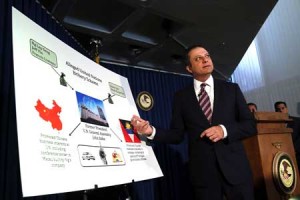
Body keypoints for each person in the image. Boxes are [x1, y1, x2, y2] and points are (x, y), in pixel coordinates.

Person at [131, 45, 257, 200]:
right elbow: (177, 134)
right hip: (204, 175)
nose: (205, 60)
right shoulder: (181, 97)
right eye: (198, 58)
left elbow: (250, 125)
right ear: (189, 68)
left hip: (236, 171)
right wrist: (151, 131)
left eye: (207, 56)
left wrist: (223, 130)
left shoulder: (232, 89)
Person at [274, 101, 300, 171]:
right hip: (284, 157)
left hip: (298, 154)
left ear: (287, 109)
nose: (281, 111)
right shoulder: (274, 125)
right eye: (278, 109)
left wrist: (294, 149)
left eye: (283, 108)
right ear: (275, 111)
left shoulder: (297, 121)